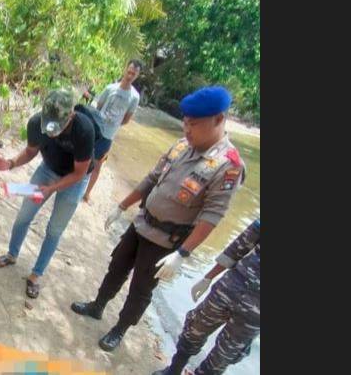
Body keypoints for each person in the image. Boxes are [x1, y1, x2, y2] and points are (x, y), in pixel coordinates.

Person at [70, 86, 246, 352]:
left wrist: (183, 254)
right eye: (185, 123)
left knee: (141, 289)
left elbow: (212, 215)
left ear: (219, 120)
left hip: (166, 242)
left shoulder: (228, 165)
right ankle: (98, 305)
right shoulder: (182, 145)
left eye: (194, 124)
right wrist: (122, 206)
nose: (187, 130)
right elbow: (153, 178)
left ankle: (120, 329)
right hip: (141, 223)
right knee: (116, 265)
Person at [0, 88, 95, 299]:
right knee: (23, 217)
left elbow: (79, 172)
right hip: (47, 170)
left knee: (54, 230)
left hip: (75, 180)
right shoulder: (36, 123)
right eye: (49, 126)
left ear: (70, 115)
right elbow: (30, 151)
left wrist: (53, 188)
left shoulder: (84, 130)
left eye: (57, 127)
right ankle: (12, 254)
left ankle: (36, 275)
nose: (51, 132)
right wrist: (8, 164)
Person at [153, 219, 260, 375]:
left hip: (255, 314)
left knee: (224, 355)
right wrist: (208, 278)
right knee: (194, 329)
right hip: (230, 288)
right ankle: (173, 371)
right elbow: (237, 249)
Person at [82, 60, 142, 203]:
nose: (130, 75)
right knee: (83, 157)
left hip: (108, 136)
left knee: (97, 165)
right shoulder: (110, 88)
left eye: (134, 73)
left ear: (137, 75)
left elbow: (127, 118)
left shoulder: (135, 96)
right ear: (125, 70)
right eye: (129, 71)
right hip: (96, 130)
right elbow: (99, 107)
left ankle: (87, 193)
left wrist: (113, 125)